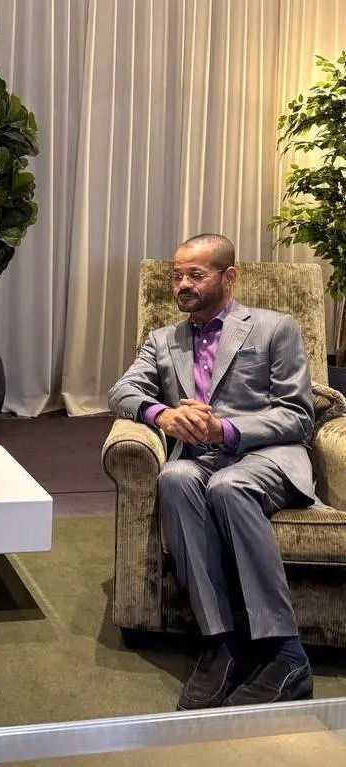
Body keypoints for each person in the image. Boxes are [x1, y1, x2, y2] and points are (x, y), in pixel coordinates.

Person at [108, 233, 315, 711]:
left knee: (228, 485)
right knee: (175, 477)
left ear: (229, 276)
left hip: (265, 455)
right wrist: (161, 415)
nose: (182, 284)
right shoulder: (162, 340)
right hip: (198, 459)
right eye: (177, 275)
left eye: (196, 275)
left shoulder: (275, 328)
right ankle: (221, 642)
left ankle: (286, 654)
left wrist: (225, 429)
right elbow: (122, 391)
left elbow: (298, 415)